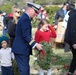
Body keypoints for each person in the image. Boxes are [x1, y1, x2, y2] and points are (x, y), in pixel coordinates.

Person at [12, 2, 43, 75]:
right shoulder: (25, 19)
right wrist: (35, 45)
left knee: (25, 71)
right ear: (30, 9)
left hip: (21, 49)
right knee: (24, 72)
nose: (36, 14)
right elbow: (26, 35)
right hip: (21, 50)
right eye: (35, 11)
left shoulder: (25, 18)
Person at [64, 9, 76, 75]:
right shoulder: (74, 15)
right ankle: (70, 72)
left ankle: (71, 72)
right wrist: (74, 42)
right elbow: (73, 30)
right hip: (73, 40)